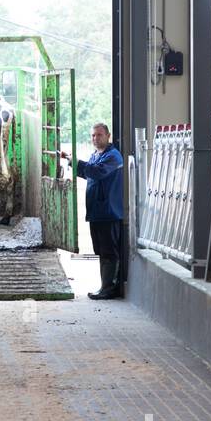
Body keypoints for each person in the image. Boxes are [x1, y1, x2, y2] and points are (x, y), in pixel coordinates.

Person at [75, 122, 124, 300]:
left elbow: (97, 172)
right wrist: (72, 164)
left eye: (99, 135)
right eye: (93, 135)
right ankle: (105, 285)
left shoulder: (114, 156)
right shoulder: (95, 155)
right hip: (97, 212)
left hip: (109, 212)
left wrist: (78, 163)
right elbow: (90, 172)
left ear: (108, 136)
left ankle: (109, 288)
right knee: (102, 250)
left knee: (109, 251)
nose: (96, 138)